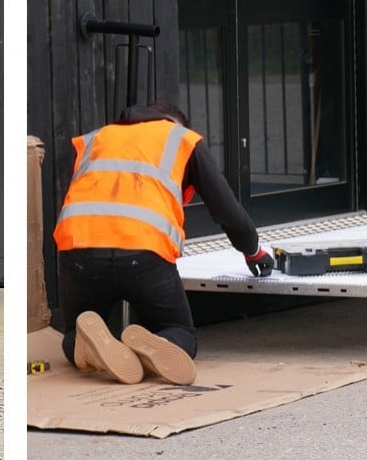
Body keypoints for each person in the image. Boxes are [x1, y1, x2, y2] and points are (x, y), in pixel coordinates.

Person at [52, 101, 275, 386]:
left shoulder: (97, 138)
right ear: (176, 123)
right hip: (145, 252)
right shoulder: (182, 139)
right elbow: (227, 210)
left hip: (79, 250)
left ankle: (92, 350)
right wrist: (253, 251)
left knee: (73, 332)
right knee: (181, 332)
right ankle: (151, 345)